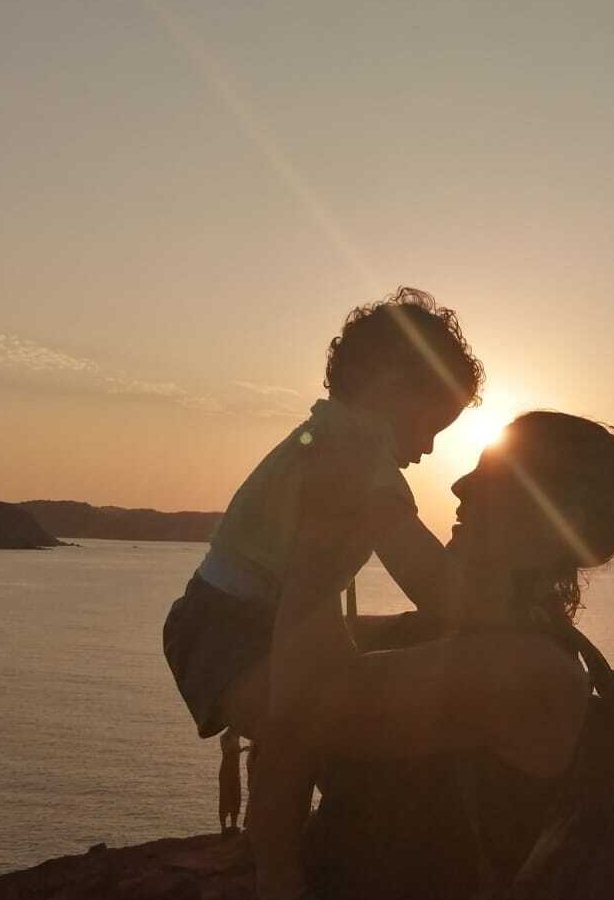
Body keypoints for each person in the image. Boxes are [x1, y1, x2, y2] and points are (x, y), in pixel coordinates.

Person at [252, 411, 614, 900]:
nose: (459, 486)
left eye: (493, 476)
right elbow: (278, 657)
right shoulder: (455, 632)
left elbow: (303, 702)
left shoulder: (529, 673)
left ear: (561, 520)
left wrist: (322, 531)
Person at [162, 287, 483, 827]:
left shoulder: (329, 433)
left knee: (336, 698)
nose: (428, 449)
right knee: (306, 730)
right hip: (232, 632)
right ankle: (280, 873)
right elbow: (425, 575)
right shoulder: (357, 458)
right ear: (392, 387)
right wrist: (491, 609)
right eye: (430, 427)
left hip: (224, 618)